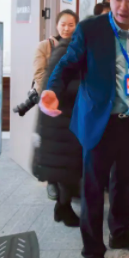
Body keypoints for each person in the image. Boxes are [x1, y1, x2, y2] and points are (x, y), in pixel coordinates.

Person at [41, 0, 129, 258]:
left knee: (123, 184)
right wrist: (52, 89)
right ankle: (93, 254)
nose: (122, 7)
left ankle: (120, 232)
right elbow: (68, 64)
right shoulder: (90, 29)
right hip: (98, 123)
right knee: (93, 191)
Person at [33, 13, 82, 227]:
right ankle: (63, 208)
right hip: (59, 120)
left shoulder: (73, 49)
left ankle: (63, 206)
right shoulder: (63, 50)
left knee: (68, 169)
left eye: (71, 25)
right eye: (64, 24)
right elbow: (51, 85)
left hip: (67, 119)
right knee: (65, 169)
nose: (67, 28)